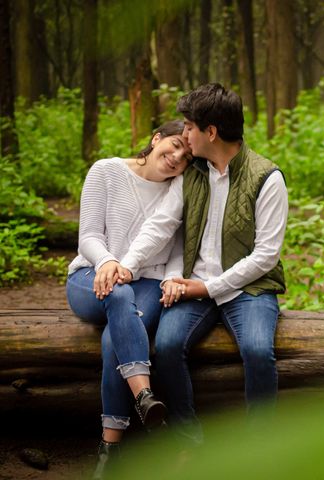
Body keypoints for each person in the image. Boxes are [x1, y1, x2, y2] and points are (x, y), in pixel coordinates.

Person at [116, 83, 288, 444]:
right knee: (165, 346)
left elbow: (266, 255)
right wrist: (127, 267)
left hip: (249, 288)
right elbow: (161, 225)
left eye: (189, 127)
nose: (185, 134)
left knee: (258, 349)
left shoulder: (267, 178)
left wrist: (209, 287)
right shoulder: (192, 174)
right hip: (194, 286)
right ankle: (187, 442)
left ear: (211, 132)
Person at [65, 120, 192, 478]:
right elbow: (88, 236)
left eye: (185, 155)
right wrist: (107, 261)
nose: (177, 156)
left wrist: (171, 280)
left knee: (113, 339)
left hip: (147, 284)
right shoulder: (106, 171)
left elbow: (176, 251)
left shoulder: (178, 190)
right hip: (90, 276)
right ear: (156, 139)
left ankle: (110, 450)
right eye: (173, 144)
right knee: (119, 294)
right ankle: (144, 396)